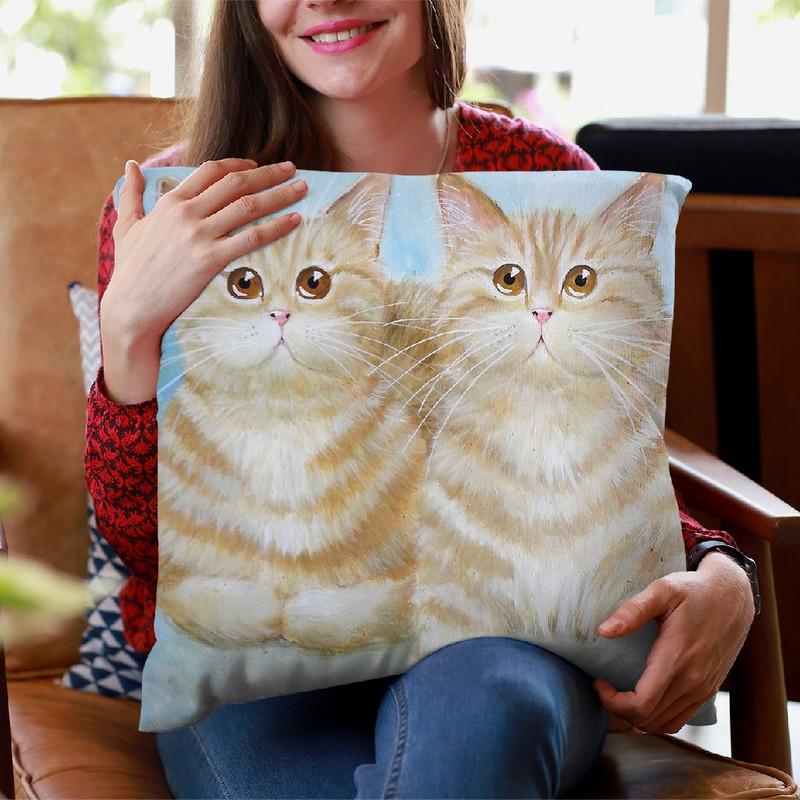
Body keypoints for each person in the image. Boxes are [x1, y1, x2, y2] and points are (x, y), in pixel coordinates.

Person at [85, 1, 757, 797]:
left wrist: (721, 567)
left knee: (487, 714)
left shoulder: (547, 181)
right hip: (256, 652)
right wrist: (127, 331)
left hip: (497, 643)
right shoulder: (184, 206)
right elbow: (143, 544)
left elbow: (605, 454)